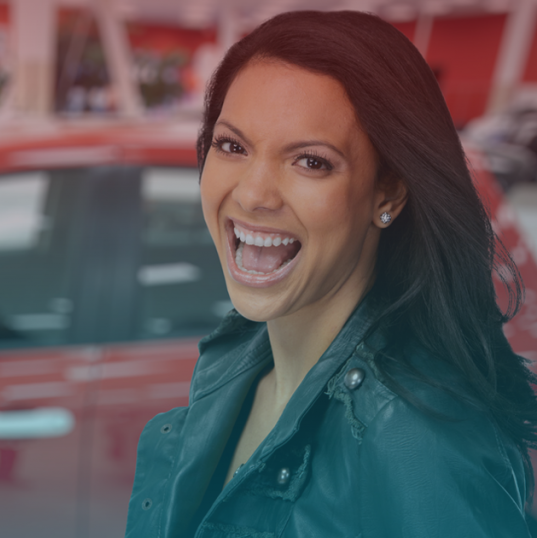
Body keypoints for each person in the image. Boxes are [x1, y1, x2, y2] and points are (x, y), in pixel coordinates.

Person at [125, 10, 537, 538]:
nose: (252, 194)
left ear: (387, 192)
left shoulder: (421, 446)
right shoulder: (244, 368)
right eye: (232, 146)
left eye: (311, 162)